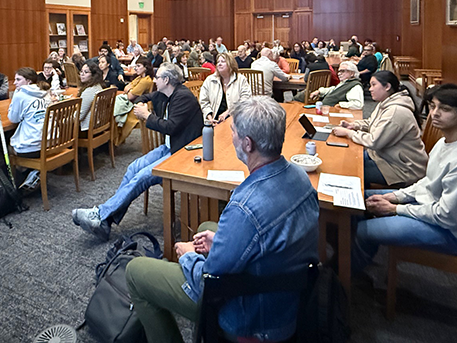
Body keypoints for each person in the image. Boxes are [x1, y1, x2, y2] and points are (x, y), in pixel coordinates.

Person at [125, 97, 320, 343]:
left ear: (247, 144)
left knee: (136, 272)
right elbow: (267, 237)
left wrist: (188, 257)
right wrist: (219, 241)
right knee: (207, 228)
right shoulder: (301, 177)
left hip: (251, 318)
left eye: (234, 132)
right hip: (288, 301)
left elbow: (208, 279)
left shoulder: (244, 206)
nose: (232, 138)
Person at [352, 87, 457, 274]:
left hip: (456, 234)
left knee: (361, 230)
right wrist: (395, 196)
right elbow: (428, 182)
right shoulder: (445, 141)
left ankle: (348, 276)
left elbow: (448, 217)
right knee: (355, 200)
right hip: (434, 207)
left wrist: (395, 208)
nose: (434, 114)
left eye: (445, 109)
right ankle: (352, 261)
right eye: (432, 106)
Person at [72, 63, 203, 240]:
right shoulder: (168, 92)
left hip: (182, 152)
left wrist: (147, 115)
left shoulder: (182, 97)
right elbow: (148, 96)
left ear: (166, 80)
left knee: (142, 176)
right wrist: (142, 102)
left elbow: (170, 127)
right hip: (170, 146)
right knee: (133, 168)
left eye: (158, 77)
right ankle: (106, 221)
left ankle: (101, 216)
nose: (154, 80)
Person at [331, 71, 427, 186]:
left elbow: (373, 141)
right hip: (385, 157)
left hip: (402, 169)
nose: (370, 89)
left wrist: (348, 133)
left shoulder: (395, 112)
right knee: (345, 161)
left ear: (387, 86)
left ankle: (360, 198)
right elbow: (371, 123)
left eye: (373, 85)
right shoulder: (385, 103)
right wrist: (354, 125)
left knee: (349, 171)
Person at [7, 67, 53, 192]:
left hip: (33, 147)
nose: (14, 83)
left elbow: (13, 118)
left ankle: (22, 177)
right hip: (52, 143)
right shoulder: (45, 92)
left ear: (28, 81)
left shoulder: (21, 95)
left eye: (18, 79)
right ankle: (33, 171)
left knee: (6, 145)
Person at [199, 52, 252, 124]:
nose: (219, 64)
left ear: (230, 64)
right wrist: (209, 117)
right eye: (218, 62)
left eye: (223, 61)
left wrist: (228, 113)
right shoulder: (209, 80)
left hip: (235, 119)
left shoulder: (240, 79)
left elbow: (245, 100)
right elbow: (203, 101)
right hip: (214, 120)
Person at [117, 58, 155, 142]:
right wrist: (129, 89)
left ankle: (115, 139)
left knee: (117, 113)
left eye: (138, 66)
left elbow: (130, 96)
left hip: (137, 106)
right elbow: (125, 88)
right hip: (130, 102)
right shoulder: (139, 78)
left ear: (145, 67)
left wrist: (129, 89)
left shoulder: (146, 80)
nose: (136, 68)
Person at [78, 61, 105, 132]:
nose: (82, 74)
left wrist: (62, 120)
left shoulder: (89, 91)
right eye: (81, 71)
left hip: (87, 129)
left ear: (93, 75)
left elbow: (79, 116)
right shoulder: (98, 86)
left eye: (86, 72)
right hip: (98, 124)